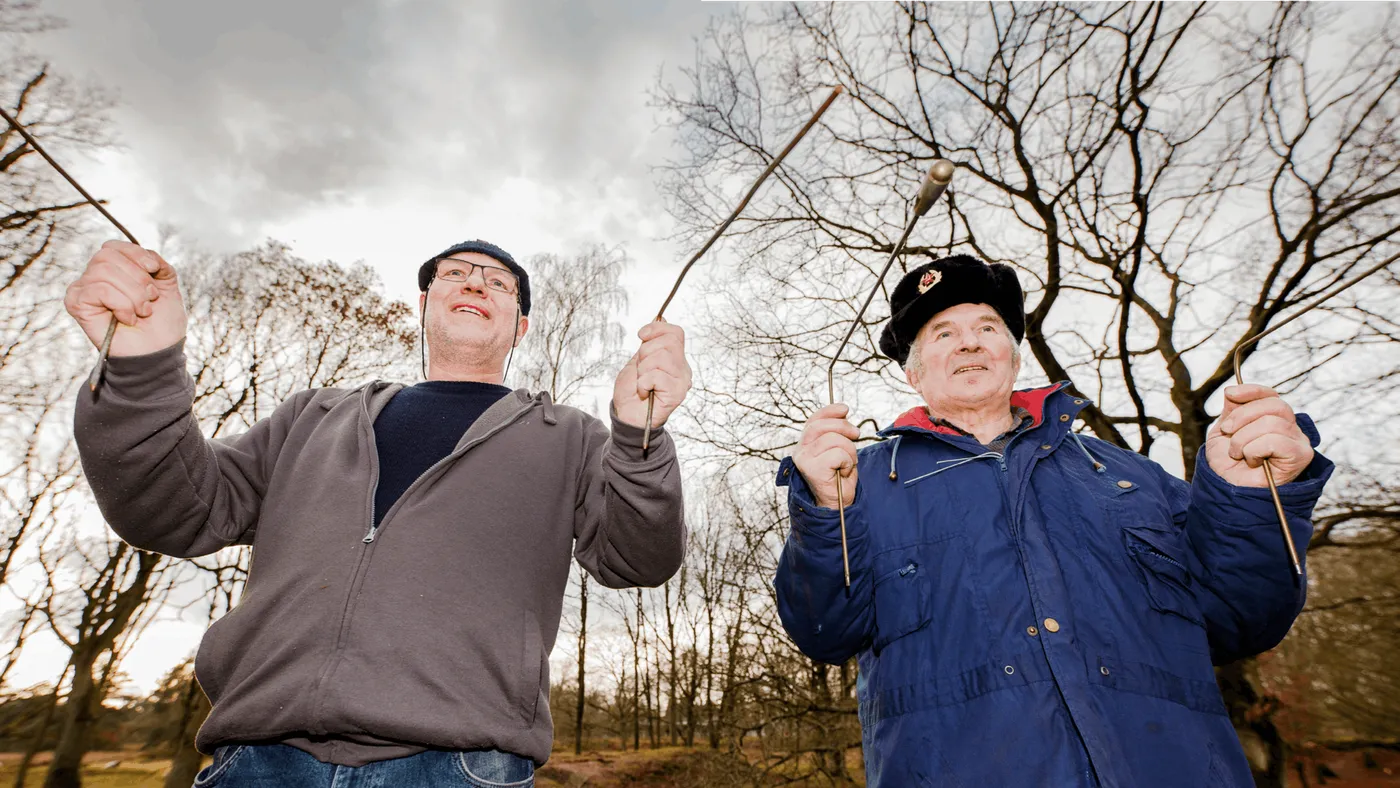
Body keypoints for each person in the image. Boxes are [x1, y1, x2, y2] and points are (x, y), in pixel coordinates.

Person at [65, 238, 691, 787]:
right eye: (453, 273)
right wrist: (140, 370)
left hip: (464, 768)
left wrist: (638, 436)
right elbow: (173, 513)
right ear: (423, 304)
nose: (475, 282)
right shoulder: (311, 417)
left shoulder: (571, 438)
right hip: (258, 761)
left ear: (520, 326)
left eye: (498, 282)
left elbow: (637, 559)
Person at [773, 254, 1333, 787]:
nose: (969, 339)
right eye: (943, 332)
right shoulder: (858, 484)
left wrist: (1252, 498)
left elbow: (1242, 619)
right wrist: (824, 513)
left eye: (988, 327)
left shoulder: (1128, 475)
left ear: (1015, 358)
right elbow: (822, 631)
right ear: (915, 373)